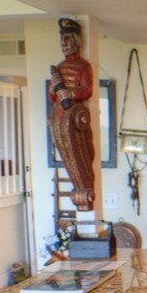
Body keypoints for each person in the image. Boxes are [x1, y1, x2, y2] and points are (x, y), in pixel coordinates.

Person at [48, 18, 96, 211]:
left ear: (77, 40)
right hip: (59, 117)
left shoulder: (84, 66)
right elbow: (52, 98)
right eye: (62, 39)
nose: (64, 43)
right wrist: (53, 89)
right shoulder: (59, 68)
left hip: (74, 114)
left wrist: (71, 93)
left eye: (67, 38)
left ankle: (83, 185)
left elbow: (87, 89)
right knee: (65, 150)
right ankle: (79, 185)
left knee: (81, 152)